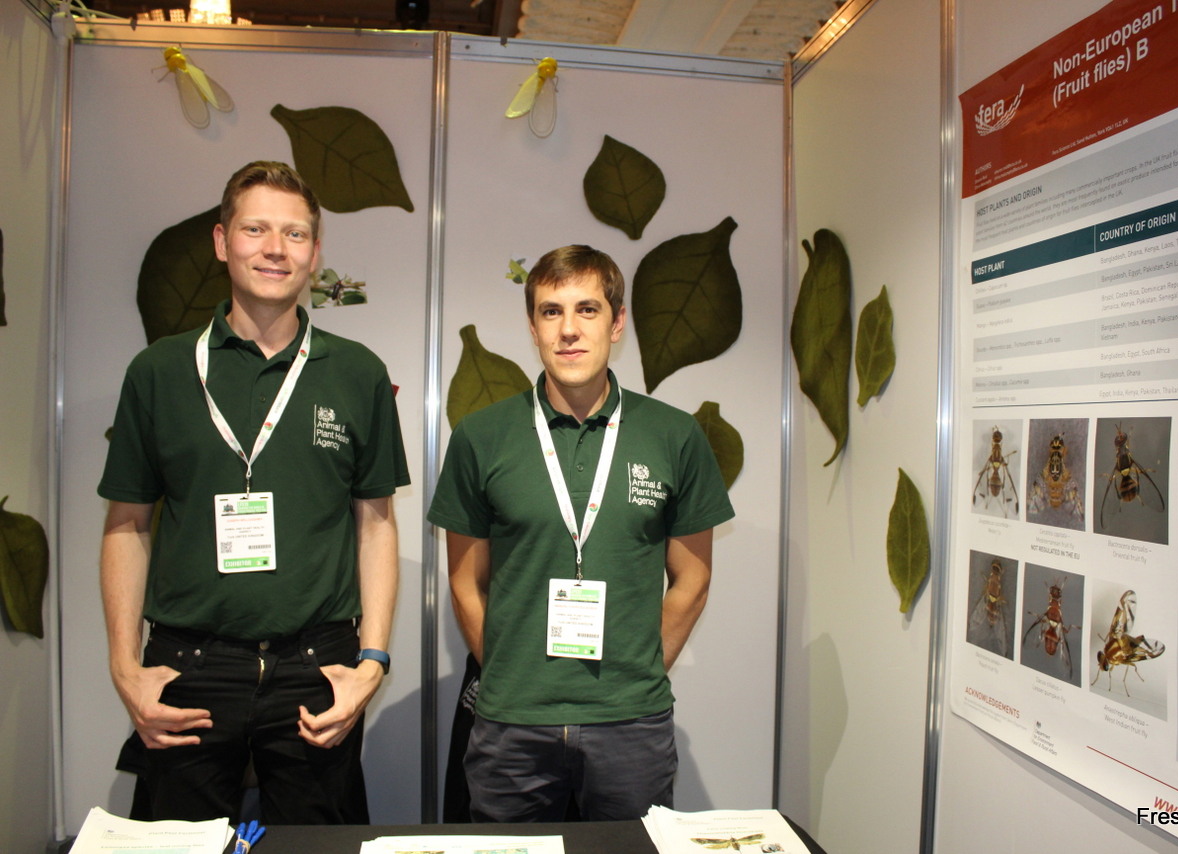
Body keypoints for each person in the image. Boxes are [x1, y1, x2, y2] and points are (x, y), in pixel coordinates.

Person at [98, 161, 409, 824]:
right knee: (178, 843)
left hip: (317, 666)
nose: (275, 248)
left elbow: (376, 523)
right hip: (189, 666)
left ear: (315, 254)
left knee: (317, 843)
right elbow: (127, 523)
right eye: (255, 229)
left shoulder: (357, 373)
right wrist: (125, 667)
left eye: (295, 234)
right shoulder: (158, 371)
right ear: (222, 241)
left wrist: (372, 660)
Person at [428, 245, 734, 822]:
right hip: (511, 726)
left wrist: (636, 675)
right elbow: (465, 583)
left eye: (587, 309)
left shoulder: (674, 435)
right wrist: (509, 675)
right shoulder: (480, 437)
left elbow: (692, 580)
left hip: (631, 725)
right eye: (551, 311)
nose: (568, 329)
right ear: (533, 326)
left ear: (617, 323)